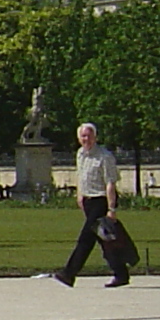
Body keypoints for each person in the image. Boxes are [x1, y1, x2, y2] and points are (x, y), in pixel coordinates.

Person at [52, 121, 129, 288]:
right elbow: (81, 176)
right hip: (88, 201)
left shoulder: (104, 156)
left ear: (95, 137)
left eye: (89, 135)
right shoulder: (80, 154)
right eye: (83, 136)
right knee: (104, 240)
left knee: (85, 239)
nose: (86, 139)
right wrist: (80, 195)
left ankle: (69, 273)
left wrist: (112, 208)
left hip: (100, 201)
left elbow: (110, 184)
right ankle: (121, 273)